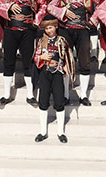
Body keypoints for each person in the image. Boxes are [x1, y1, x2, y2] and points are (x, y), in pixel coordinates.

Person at [0, 0, 47, 108]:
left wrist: (37, 20)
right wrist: (9, 6)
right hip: (10, 31)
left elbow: (44, 5)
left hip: (27, 31)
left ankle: (30, 95)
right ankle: (6, 95)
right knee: (8, 62)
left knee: (28, 62)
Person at [46, 0, 99, 105]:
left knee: (84, 61)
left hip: (83, 30)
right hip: (66, 30)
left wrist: (93, 20)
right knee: (64, 62)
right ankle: (66, 95)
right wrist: (63, 11)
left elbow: (101, 6)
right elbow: (50, 7)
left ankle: (83, 95)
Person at [33, 15, 75, 143]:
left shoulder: (62, 40)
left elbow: (68, 55)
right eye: (46, 28)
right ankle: (43, 131)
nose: (48, 30)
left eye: (50, 27)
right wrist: (41, 58)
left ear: (56, 27)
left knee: (59, 101)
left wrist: (67, 67)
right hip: (45, 73)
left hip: (57, 73)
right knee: (43, 101)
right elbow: (35, 57)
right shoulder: (40, 41)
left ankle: (60, 132)